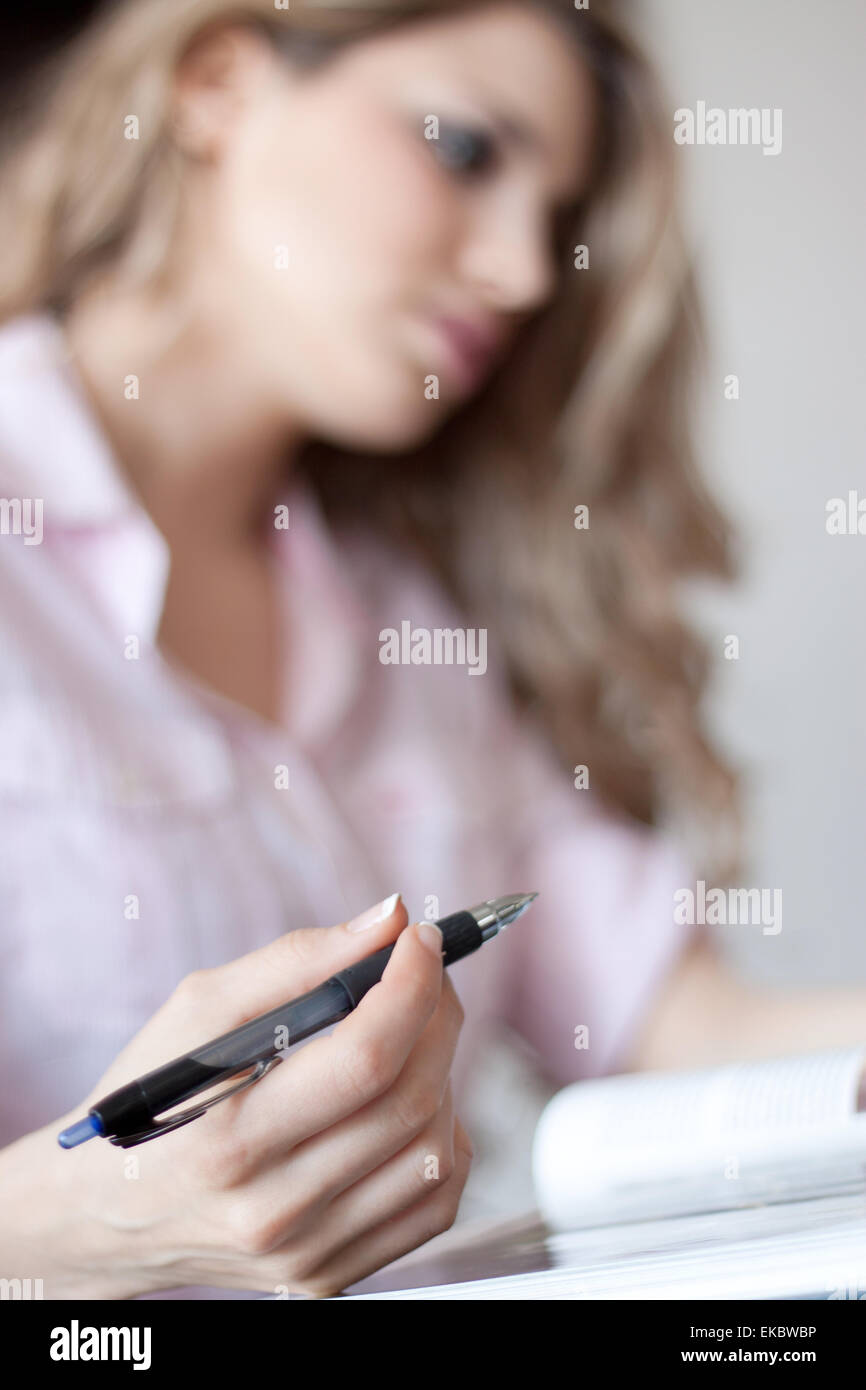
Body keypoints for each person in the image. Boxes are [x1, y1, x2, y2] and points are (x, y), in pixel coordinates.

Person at [0, 0, 863, 1301]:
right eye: (463, 148)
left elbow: (678, 1022)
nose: (522, 270)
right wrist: (63, 1233)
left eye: (555, 216)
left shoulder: (410, 629)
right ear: (217, 85)